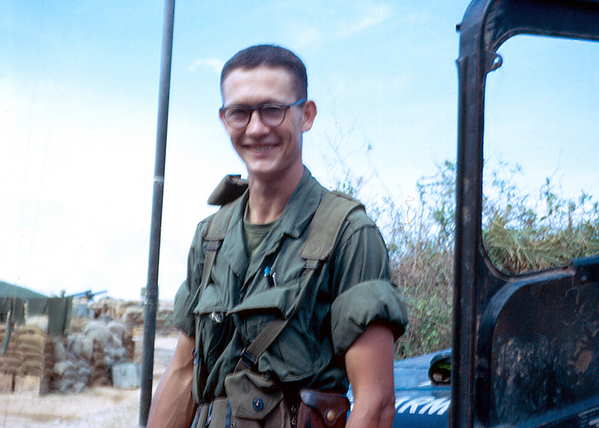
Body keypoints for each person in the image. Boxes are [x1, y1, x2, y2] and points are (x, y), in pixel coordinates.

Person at [147, 44, 408, 428]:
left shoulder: (348, 233)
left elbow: (376, 401)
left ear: (306, 115)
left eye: (273, 109)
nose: (255, 128)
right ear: (224, 120)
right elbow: (183, 373)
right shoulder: (211, 237)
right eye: (240, 112)